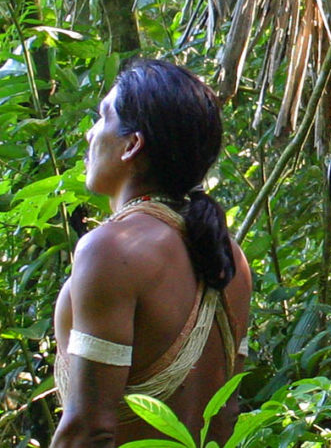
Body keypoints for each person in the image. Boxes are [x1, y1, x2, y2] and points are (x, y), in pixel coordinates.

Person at [51, 59, 252, 446]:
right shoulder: (230, 257)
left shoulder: (110, 248)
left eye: (102, 118)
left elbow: (90, 430)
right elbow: (225, 414)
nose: (91, 134)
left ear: (132, 144)